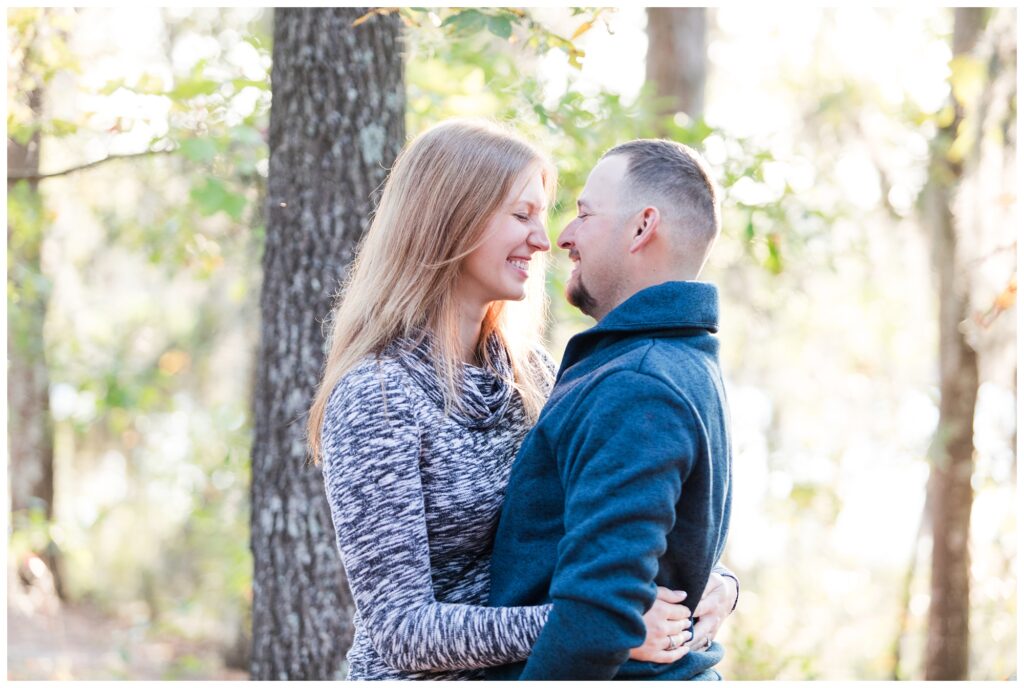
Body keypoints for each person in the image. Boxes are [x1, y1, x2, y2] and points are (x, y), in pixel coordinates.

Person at [306, 119, 738, 680]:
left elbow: (609, 520)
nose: (544, 238)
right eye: (521, 215)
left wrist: (716, 583)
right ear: (451, 218)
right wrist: (602, 621)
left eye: (544, 215)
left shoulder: (528, 373)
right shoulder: (379, 396)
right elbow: (400, 632)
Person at [486, 139, 735, 680]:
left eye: (583, 213)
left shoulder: (638, 382)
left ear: (642, 227)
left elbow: (598, 613)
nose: (563, 237)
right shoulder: (678, 361)